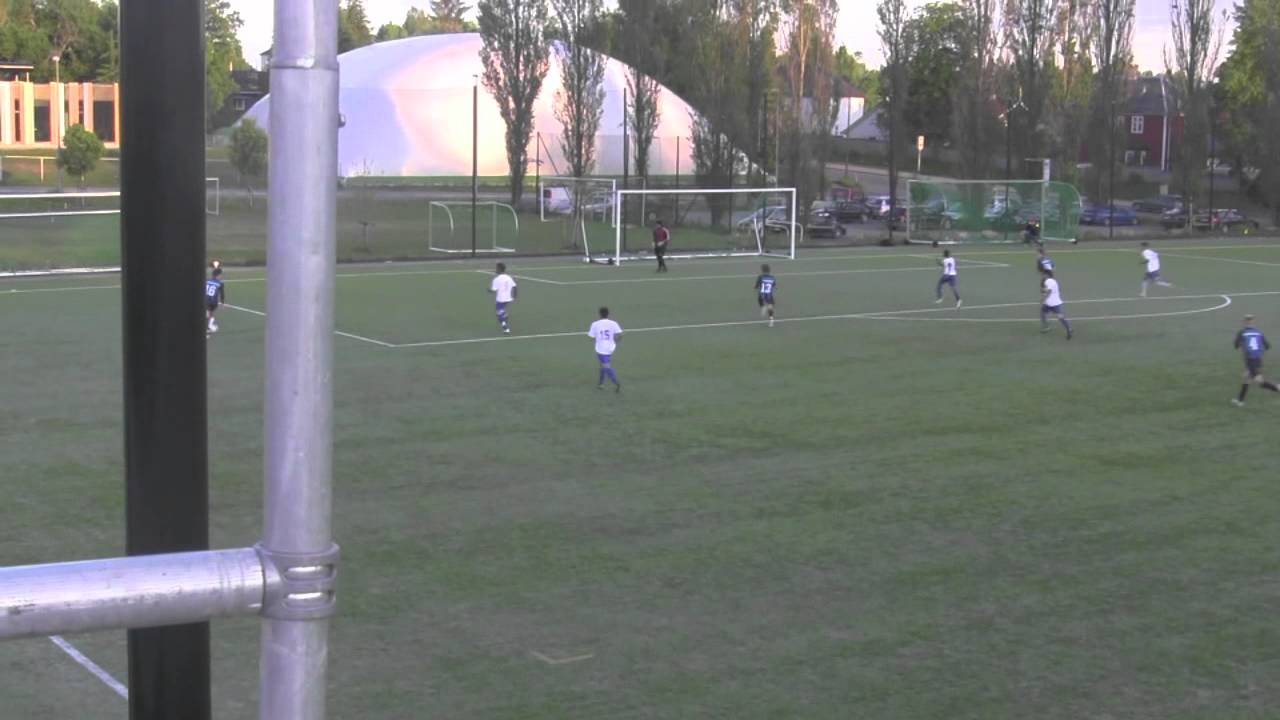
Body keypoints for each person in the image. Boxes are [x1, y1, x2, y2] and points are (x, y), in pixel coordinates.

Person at [1231, 314, 1279, 406]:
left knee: (1259, 381)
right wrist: (1259, 350)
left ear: (1244, 322)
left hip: (1250, 360)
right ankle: (1240, 400)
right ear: (1253, 323)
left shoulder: (1242, 332)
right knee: (1246, 378)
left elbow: (1236, 346)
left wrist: (1242, 344)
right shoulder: (1259, 332)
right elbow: (1268, 346)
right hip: (1258, 359)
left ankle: (1277, 388)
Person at [588, 307, 622, 392]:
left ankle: (616, 382)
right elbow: (620, 334)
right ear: (608, 314)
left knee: (606, 366)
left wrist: (598, 338)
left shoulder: (595, 324)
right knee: (602, 365)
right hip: (611, 348)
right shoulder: (613, 323)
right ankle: (601, 384)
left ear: (599, 314)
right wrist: (616, 340)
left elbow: (591, 337)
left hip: (601, 350)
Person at [1040, 270, 1073, 340]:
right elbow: (1046, 290)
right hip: (1051, 303)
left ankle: (1068, 329)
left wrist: (1043, 299)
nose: (1042, 275)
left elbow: (1048, 291)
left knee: (1060, 317)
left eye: (1043, 274)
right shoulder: (1051, 281)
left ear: (1047, 275)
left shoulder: (1049, 281)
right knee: (1044, 313)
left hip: (1053, 303)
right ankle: (1068, 328)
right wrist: (1043, 290)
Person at [489, 262, 518, 334]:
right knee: (501, 313)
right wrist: (514, 296)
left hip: (500, 300)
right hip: (508, 299)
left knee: (499, 315)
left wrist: (489, 290)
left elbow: (493, 290)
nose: (495, 270)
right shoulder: (509, 277)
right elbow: (515, 286)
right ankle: (504, 316)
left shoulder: (496, 279)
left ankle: (506, 329)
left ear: (499, 269)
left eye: (496, 268)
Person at [205, 265, 225, 335]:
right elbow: (222, 294)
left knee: (208, 313)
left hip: (205, 299)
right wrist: (222, 303)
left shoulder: (207, 281)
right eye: (221, 275)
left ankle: (209, 326)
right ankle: (209, 326)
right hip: (213, 302)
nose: (221, 276)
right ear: (218, 275)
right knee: (210, 313)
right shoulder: (220, 283)